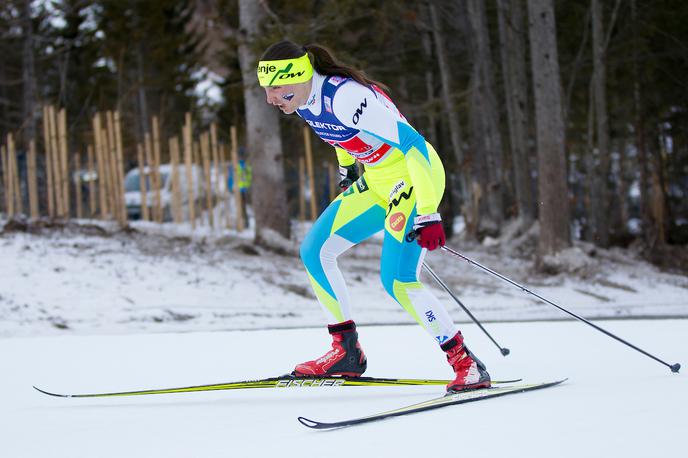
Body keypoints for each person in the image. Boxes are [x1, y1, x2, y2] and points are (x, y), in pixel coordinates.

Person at [257, 40, 490, 393]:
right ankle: (346, 352)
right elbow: (338, 135)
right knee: (315, 251)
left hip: (414, 178)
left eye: (275, 89)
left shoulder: (346, 97)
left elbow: (414, 146)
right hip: (378, 181)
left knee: (396, 280)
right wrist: (348, 170)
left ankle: (466, 364)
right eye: (266, 90)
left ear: (298, 76)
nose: (270, 99)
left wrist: (428, 213)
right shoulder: (303, 101)